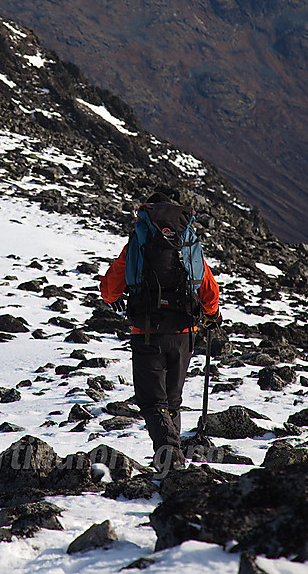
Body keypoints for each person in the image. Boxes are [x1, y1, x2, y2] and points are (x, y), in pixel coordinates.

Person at [100, 191, 221, 473]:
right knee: (172, 400)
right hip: (184, 331)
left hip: (146, 331)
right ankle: (172, 461)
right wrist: (212, 314)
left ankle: (170, 458)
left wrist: (114, 298)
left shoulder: (139, 240)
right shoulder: (185, 238)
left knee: (153, 401)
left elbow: (110, 288)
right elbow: (206, 283)